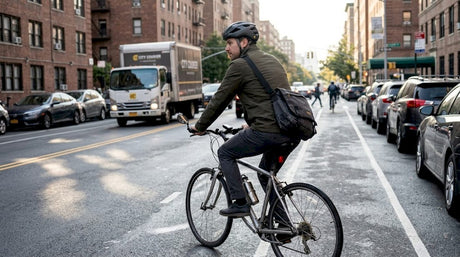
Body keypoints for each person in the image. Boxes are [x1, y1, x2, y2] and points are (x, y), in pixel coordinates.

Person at [190, 21, 300, 222]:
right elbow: (274, 98)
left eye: (230, 43)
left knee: (225, 152)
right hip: (292, 131)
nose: (226, 48)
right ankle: (283, 224)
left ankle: (239, 202)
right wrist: (252, 122)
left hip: (267, 131)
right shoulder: (273, 60)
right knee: (266, 174)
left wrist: (200, 126)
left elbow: (220, 99)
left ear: (244, 42)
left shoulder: (239, 65)